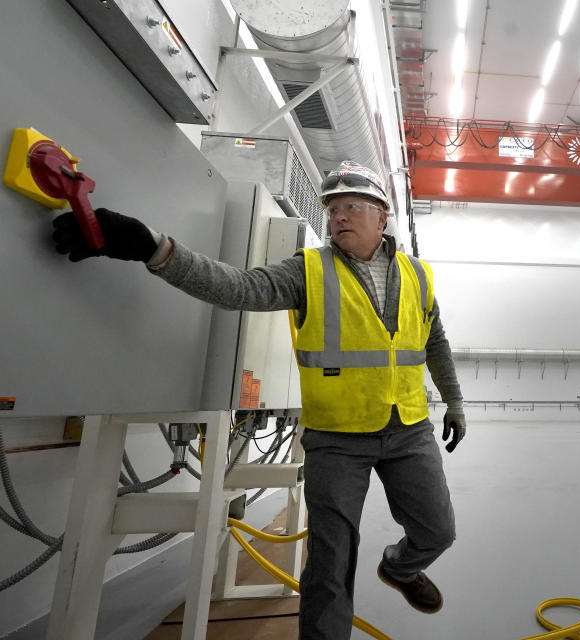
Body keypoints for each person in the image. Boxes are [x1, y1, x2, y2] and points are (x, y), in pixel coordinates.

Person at [51, 160, 466, 640]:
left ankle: (399, 567)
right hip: (336, 439)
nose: (338, 218)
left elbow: (434, 341)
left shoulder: (418, 275)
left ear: (382, 215)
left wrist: (454, 401)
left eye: (352, 207)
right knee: (330, 563)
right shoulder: (308, 270)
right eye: (332, 210)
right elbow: (238, 288)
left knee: (438, 531)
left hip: (408, 429)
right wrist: (154, 247)